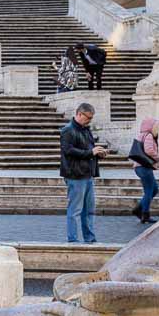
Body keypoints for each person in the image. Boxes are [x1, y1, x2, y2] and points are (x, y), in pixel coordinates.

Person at [60, 102, 107, 244]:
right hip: (75, 175)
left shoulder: (85, 129)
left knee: (89, 210)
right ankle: (73, 240)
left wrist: (99, 152)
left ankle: (90, 239)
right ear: (79, 114)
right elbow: (68, 151)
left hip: (88, 174)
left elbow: (89, 149)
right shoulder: (67, 130)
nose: (89, 121)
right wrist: (90, 152)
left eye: (91, 118)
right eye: (88, 117)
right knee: (75, 210)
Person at [132, 117, 159, 224]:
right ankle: (145, 215)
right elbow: (149, 150)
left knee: (154, 189)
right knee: (149, 190)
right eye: (156, 126)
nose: (157, 128)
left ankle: (139, 209)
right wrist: (158, 158)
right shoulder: (148, 135)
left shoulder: (141, 135)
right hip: (143, 167)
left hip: (141, 167)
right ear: (150, 126)